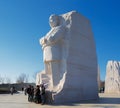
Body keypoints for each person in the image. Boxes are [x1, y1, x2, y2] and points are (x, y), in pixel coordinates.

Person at [40, 14, 67, 89]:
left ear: (57, 20)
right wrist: (45, 40)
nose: (50, 21)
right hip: (46, 52)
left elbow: (53, 38)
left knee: (55, 72)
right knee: (48, 73)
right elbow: (40, 40)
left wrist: (45, 40)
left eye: (52, 19)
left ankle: (55, 87)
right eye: (50, 20)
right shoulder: (49, 32)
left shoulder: (60, 28)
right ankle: (48, 87)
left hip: (54, 52)